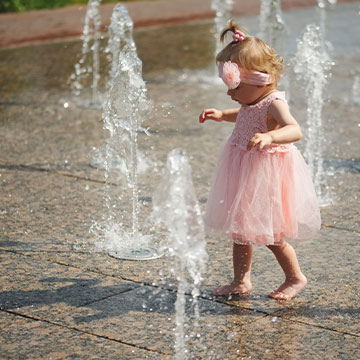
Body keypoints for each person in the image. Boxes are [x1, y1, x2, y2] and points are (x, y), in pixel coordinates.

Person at [199, 22, 321, 300]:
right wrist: (222, 114)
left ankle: (295, 276)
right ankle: (241, 281)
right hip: (245, 170)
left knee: (273, 235)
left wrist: (270, 138)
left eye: (235, 87)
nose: (230, 93)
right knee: (240, 230)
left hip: (266, 175)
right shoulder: (250, 101)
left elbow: (295, 129)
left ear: (261, 81)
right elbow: (243, 114)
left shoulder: (275, 103)